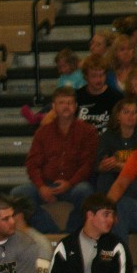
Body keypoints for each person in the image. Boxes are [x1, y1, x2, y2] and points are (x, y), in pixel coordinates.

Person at [10, 86, 98, 234]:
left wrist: (70, 183)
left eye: (70, 103)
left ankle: (71, 233)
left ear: (76, 106)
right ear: (54, 106)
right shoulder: (43, 132)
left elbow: (88, 164)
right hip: (47, 183)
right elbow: (32, 163)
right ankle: (51, 231)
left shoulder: (88, 131)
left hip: (75, 185)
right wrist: (41, 186)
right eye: (61, 103)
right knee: (18, 193)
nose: (66, 106)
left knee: (86, 191)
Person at [96, 98, 137, 197]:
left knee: (132, 183)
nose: (131, 116)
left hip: (135, 177)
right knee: (104, 178)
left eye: (134, 112)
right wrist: (103, 166)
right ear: (118, 116)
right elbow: (98, 164)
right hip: (112, 175)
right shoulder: (108, 135)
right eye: (126, 112)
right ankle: (103, 205)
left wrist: (119, 165)